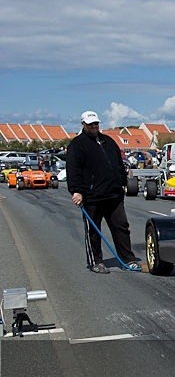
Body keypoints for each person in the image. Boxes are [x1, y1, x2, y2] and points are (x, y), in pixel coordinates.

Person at [66, 111, 141, 274]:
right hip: (92, 196)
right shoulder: (77, 145)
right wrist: (76, 191)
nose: (94, 127)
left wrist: (122, 182)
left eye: (96, 124)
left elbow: (118, 163)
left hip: (113, 195)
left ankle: (128, 259)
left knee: (121, 227)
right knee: (93, 231)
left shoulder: (108, 141)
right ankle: (96, 261)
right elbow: (73, 169)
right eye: (91, 124)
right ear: (83, 125)